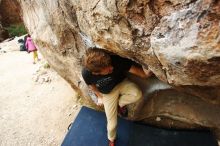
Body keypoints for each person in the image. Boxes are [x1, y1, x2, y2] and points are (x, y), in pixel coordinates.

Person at [81, 48, 152, 146]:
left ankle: (119, 104)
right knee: (112, 125)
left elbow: (141, 73)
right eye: (108, 69)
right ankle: (111, 139)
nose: (112, 68)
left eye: (110, 65)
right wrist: (99, 97)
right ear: (96, 73)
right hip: (107, 93)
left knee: (137, 94)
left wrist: (147, 73)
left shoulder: (115, 61)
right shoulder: (87, 74)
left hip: (121, 83)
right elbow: (91, 86)